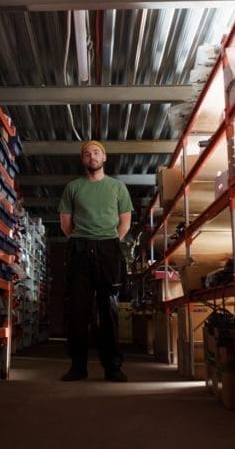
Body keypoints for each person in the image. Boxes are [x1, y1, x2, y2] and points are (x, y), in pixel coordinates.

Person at [58, 140, 133, 382]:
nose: (92, 157)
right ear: (83, 160)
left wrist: (109, 241)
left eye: (96, 152)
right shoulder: (73, 188)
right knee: (79, 311)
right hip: (80, 249)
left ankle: (112, 367)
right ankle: (78, 367)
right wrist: (81, 240)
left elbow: (125, 221)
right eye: (87, 154)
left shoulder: (118, 187)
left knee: (108, 310)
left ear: (104, 157)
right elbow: (65, 223)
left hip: (108, 250)